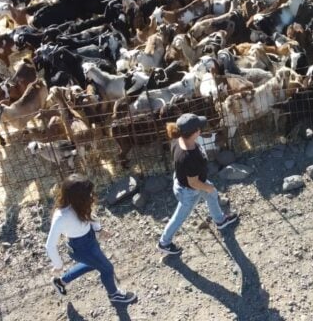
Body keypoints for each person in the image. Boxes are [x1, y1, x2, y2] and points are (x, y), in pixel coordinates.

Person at [45, 174, 137, 304]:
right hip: (80, 248)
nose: (91, 196)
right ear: (77, 197)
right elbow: (50, 245)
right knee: (107, 268)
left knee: (92, 264)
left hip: (90, 239)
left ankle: (60, 282)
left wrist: (98, 230)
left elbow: (90, 215)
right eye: (88, 194)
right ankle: (114, 294)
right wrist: (58, 265)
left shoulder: (80, 204)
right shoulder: (61, 216)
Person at [158, 113, 238, 255]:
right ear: (196, 133)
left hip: (182, 181)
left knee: (212, 194)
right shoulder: (190, 156)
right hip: (189, 191)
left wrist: (209, 188)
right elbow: (193, 182)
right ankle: (164, 242)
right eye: (199, 128)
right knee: (180, 216)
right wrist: (208, 187)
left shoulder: (177, 141)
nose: (201, 129)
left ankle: (220, 220)